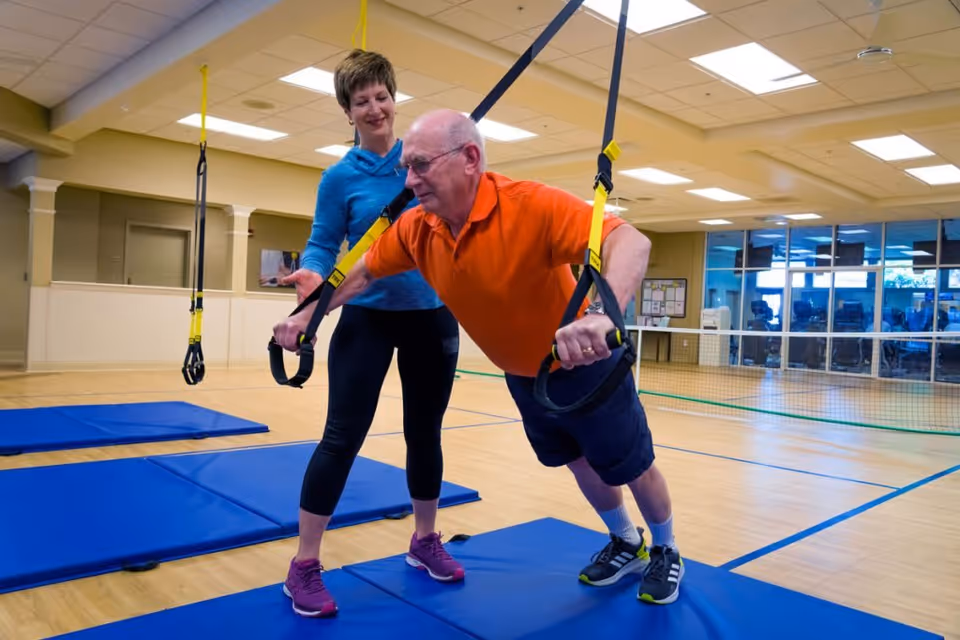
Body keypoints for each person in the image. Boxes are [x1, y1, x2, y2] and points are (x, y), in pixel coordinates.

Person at [274, 109, 685, 605]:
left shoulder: (529, 206)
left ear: (469, 159)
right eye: (408, 167)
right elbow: (360, 274)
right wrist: (306, 316)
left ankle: (666, 549)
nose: (409, 180)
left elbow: (629, 240)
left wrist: (602, 313)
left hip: (587, 364)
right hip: (526, 377)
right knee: (579, 464)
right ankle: (625, 540)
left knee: (630, 466)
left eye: (421, 165)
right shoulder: (417, 228)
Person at [277, 52, 464, 619]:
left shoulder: (419, 160)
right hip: (366, 317)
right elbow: (322, 241)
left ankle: (424, 540)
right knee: (342, 438)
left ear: (393, 98)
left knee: (424, 433)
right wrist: (311, 287)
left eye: (382, 96)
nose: (375, 108)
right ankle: (304, 564)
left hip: (430, 315)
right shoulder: (340, 179)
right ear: (348, 111)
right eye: (362, 101)